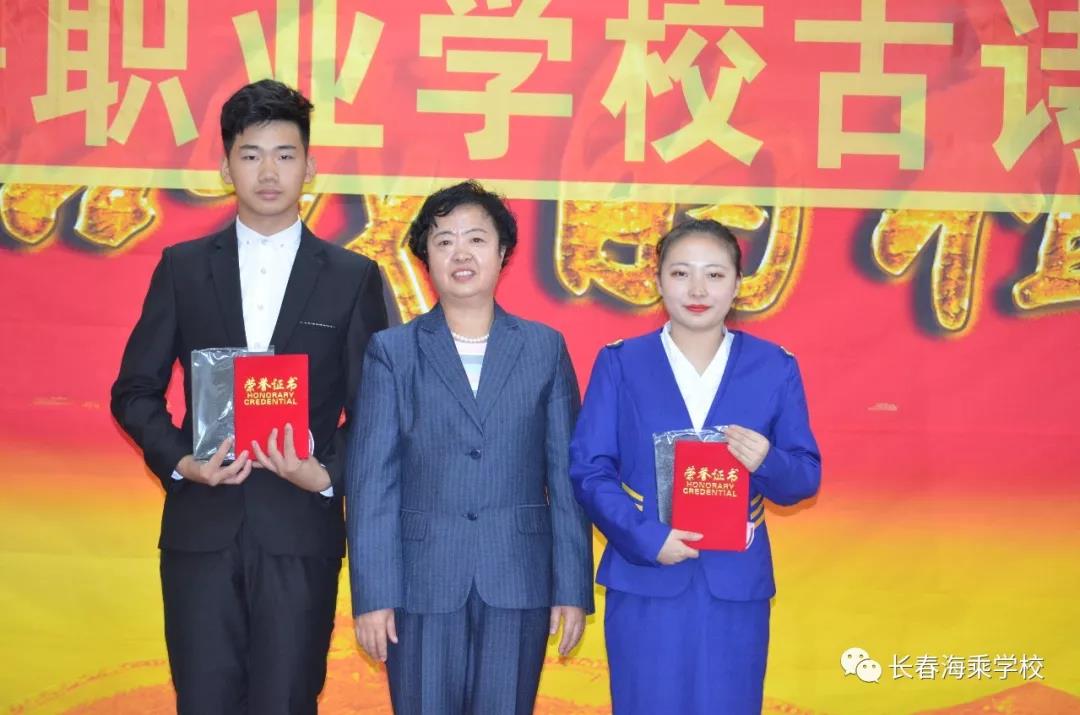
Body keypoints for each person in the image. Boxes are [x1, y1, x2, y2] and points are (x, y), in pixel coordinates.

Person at [110, 79, 388, 714]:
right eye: (251, 154)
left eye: (285, 155)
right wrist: (182, 462)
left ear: (309, 167)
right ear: (225, 166)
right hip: (201, 531)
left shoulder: (353, 277)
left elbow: (378, 408)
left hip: (299, 529)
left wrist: (326, 474)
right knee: (203, 700)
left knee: (287, 700)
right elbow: (134, 391)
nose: (268, 172)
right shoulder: (183, 267)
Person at [345, 180, 594, 715]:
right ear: (426, 259)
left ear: (502, 253)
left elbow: (565, 475)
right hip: (421, 582)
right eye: (444, 241)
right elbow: (372, 483)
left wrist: (572, 586)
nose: (461, 253)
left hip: (518, 576)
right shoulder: (393, 352)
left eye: (476, 239)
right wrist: (373, 595)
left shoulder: (544, 348)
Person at [569, 218, 821, 714]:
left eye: (715, 274)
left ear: (738, 284)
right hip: (645, 576)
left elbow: (805, 476)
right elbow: (589, 470)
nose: (698, 290)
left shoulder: (774, 366)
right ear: (658, 281)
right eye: (681, 273)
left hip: (735, 582)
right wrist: (646, 538)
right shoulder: (622, 362)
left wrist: (767, 461)